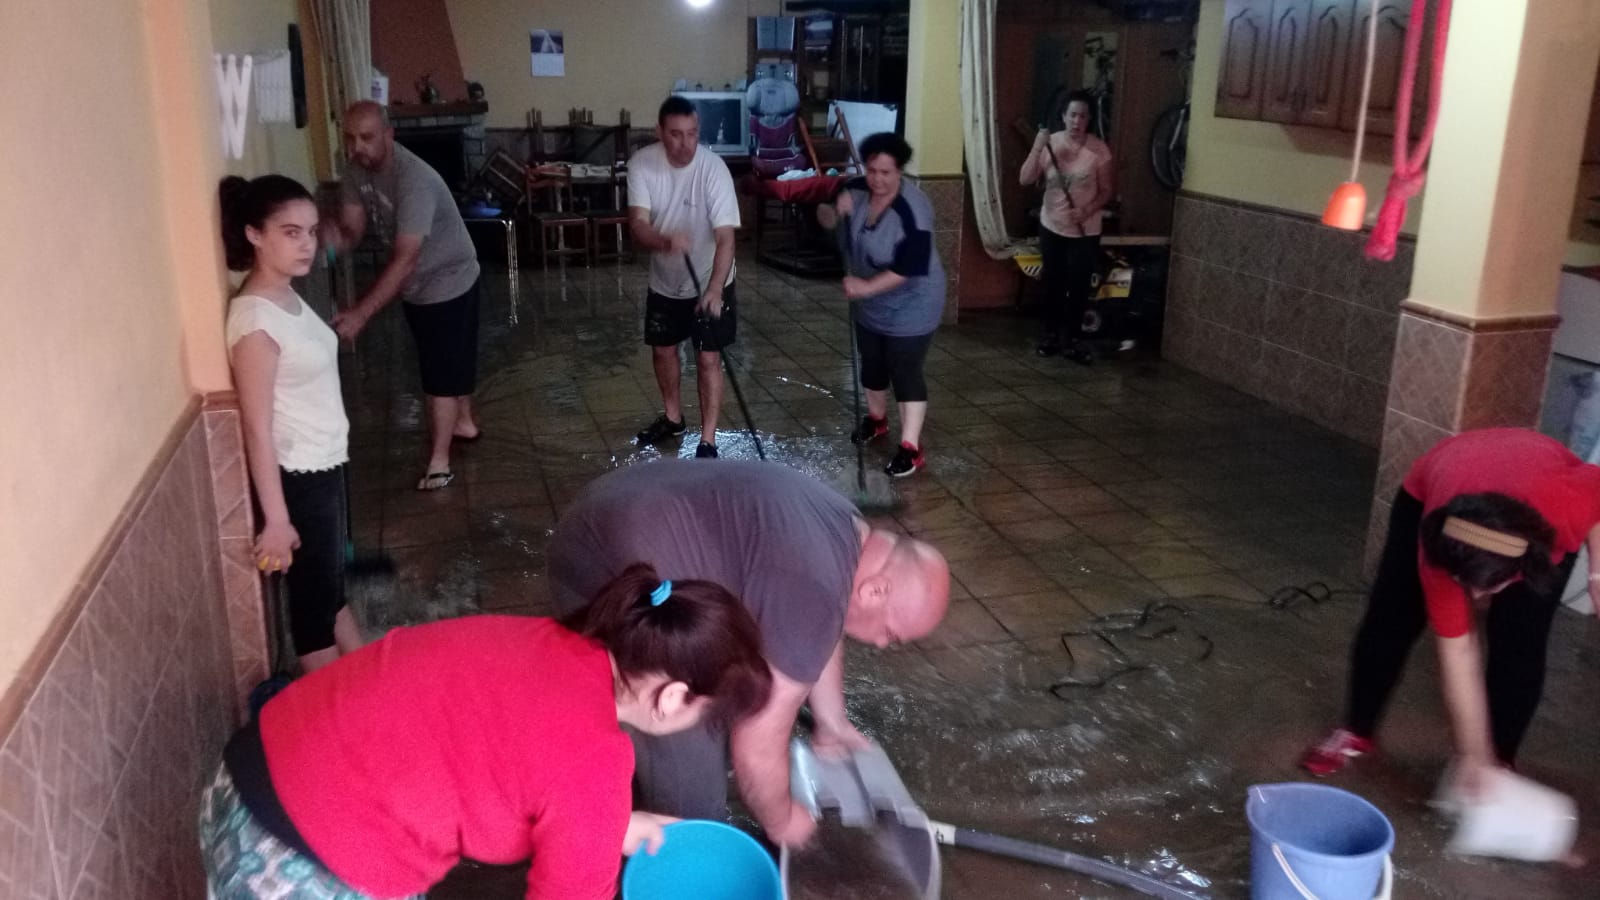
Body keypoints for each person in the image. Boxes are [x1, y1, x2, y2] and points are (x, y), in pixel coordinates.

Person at [199, 563, 772, 900]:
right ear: (674, 698)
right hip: (302, 862)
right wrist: (597, 820)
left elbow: (505, 759)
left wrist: (605, 826)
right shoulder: (596, 760)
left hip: (244, 778)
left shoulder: (546, 640)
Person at [545, 460, 952, 847]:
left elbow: (820, 629)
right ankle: (673, 850)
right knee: (689, 748)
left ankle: (618, 780)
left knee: (696, 695)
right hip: (602, 564)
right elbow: (756, 743)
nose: (882, 643)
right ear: (875, 590)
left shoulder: (845, 528)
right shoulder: (817, 587)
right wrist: (783, 822)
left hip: (604, 507)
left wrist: (833, 722)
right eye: (891, 634)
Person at [1300, 428, 1600, 797]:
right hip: (1441, 485)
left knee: (1521, 641)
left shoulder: (1566, 508)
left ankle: (1501, 760)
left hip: (1539, 493)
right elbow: (1459, 650)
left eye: (1486, 589)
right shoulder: (1440, 548)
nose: (1472, 598)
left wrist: (1597, 571)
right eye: (1465, 584)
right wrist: (1473, 754)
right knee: (1391, 614)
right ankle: (1356, 729)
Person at [220, 174, 364, 673]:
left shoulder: (285, 296)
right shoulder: (256, 322)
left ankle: (370, 684)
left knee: (330, 590)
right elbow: (257, 429)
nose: (307, 244)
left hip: (324, 464)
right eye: (290, 232)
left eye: (309, 230)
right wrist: (277, 519)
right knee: (313, 611)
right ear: (254, 235)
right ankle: (331, 726)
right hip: (298, 478)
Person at [323, 100, 482, 491]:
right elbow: (353, 229)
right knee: (444, 357)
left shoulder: (414, 179)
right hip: (418, 284)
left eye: (367, 137)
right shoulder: (354, 170)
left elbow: (406, 259)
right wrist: (327, 243)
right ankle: (464, 421)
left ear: (388, 136)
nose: (357, 146)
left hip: (450, 277)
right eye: (350, 137)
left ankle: (439, 461)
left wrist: (360, 314)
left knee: (439, 373)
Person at [817, 133, 945, 479]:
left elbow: (910, 267)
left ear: (900, 171)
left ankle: (910, 447)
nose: (877, 180)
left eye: (886, 173)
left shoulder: (913, 210)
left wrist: (866, 286)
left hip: (913, 302)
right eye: (872, 170)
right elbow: (827, 224)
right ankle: (877, 420)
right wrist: (832, 213)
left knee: (904, 368)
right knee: (872, 361)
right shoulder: (854, 189)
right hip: (870, 303)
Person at [627, 95, 741, 459]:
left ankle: (708, 439)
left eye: (692, 134)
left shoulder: (714, 169)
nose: (685, 143)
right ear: (659, 132)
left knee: (708, 358)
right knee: (663, 350)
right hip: (666, 278)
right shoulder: (642, 165)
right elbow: (637, 227)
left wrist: (714, 290)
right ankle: (673, 418)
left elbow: (726, 237)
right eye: (676, 134)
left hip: (711, 276)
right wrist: (663, 240)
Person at [1018, 90, 1114, 364]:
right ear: (1063, 116)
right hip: (1052, 225)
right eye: (1072, 115)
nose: (1077, 121)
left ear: (1089, 119)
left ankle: (1072, 339)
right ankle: (1049, 336)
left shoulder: (1099, 150)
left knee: (1078, 285)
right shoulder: (1052, 144)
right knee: (1053, 283)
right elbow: (1025, 179)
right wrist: (1038, 146)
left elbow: (1107, 190)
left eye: (1083, 116)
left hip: (1085, 229)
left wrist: (1085, 210)